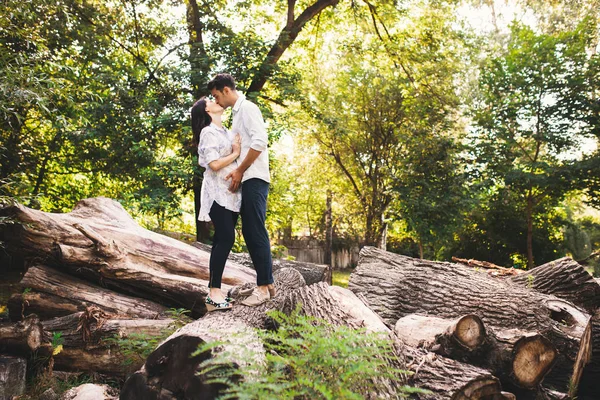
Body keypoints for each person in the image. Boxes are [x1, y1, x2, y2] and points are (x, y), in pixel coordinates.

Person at [208, 73, 275, 306]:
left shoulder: (247, 109)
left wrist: (239, 171)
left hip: (254, 176)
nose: (216, 101)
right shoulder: (237, 115)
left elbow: (259, 142)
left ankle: (264, 288)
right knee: (249, 230)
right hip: (247, 178)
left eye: (217, 95)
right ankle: (266, 284)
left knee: (255, 229)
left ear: (226, 90)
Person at [192, 96, 242, 312]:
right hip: (216, 194)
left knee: (224, 240)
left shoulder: (227, 132)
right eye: (210, 100)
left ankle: (215, 293)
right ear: (207, 111)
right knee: (226, 237)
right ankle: (213, 292)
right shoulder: (208, 132)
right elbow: (213, 164)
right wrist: (236, 153)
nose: (215, 100)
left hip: (232, 194)